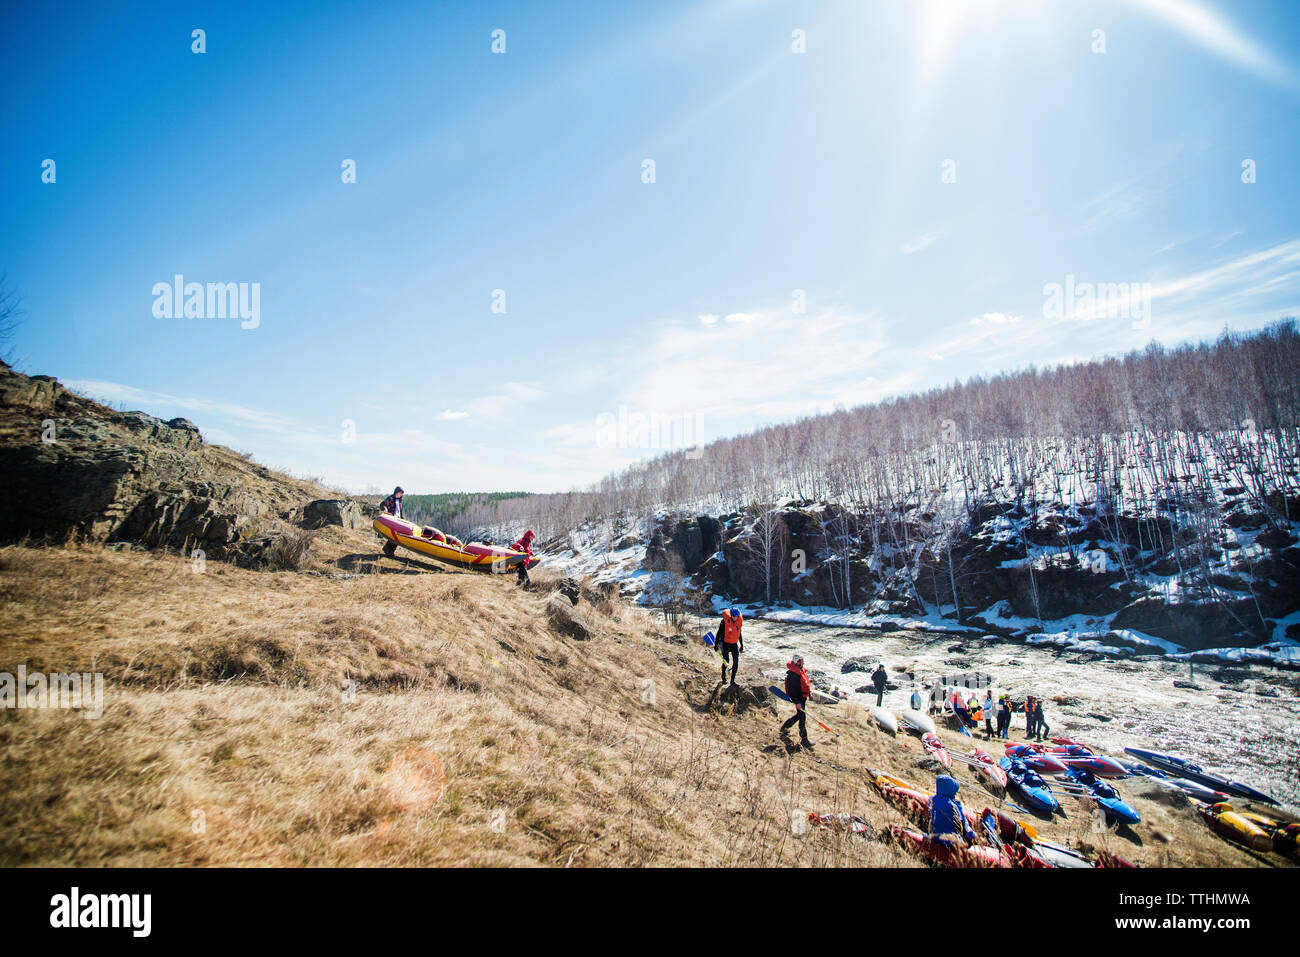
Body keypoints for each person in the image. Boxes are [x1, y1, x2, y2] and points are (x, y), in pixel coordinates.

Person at [928, 775, 975, 846]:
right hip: (951, 842)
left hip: (934, 837)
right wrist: (972, 835)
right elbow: (965, 828)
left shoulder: (931, 800)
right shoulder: (954, 805)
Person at [779, 654, 813, 747]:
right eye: (801, 660)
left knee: (800, 716)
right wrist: (797, 702)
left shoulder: (801, 670)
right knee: (802, 717)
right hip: (798, 699)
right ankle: (804, 740)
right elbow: (791, 691)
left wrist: (809, 694)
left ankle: (785, 727)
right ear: (797, 662)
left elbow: (805, 683)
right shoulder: (792, 675)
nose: (803, 662)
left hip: (803, 698)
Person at [715, 607, 744, 686]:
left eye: (737, 616)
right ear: (731, 615)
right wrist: (716, 644)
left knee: (736, 662)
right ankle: (723, 677)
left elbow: (739, 634)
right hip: (725, 643)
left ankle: (732, 681)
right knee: (726, 661)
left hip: (734, 643)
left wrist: (741, 645)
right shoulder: (724, 622)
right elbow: (719, 633)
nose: (735, 618)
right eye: (734, 616)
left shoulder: (738, 622)